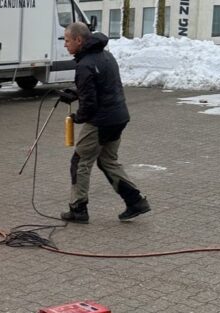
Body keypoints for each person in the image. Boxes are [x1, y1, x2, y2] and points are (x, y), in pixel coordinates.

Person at [58, 22, 150, 224]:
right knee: (107, 161)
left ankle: (78, 209)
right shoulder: (106, 56)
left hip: (100, 121)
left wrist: (77, 118)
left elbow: (90, 104)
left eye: (67, 40)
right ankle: (135, 202)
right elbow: (101, 86)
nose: (65, 45)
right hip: (119, 118)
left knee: (80, 161)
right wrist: (74, 93)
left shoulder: (84, 64)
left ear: (79, 40)